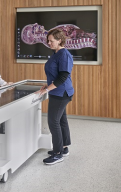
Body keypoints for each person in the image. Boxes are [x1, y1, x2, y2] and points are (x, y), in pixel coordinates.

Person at [38, 29, 74, 165]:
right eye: (48, 41)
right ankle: (64, 148)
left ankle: (58, 153)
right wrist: (46, 85)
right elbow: (54, 75)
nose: (48, 43)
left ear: (60, 40)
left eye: (51, 41)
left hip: (61, 93)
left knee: (53, 122)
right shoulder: (56, 53)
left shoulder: (64, 54)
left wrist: (48, 88)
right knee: (61, 120)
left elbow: (63, 77)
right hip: (57, 92)